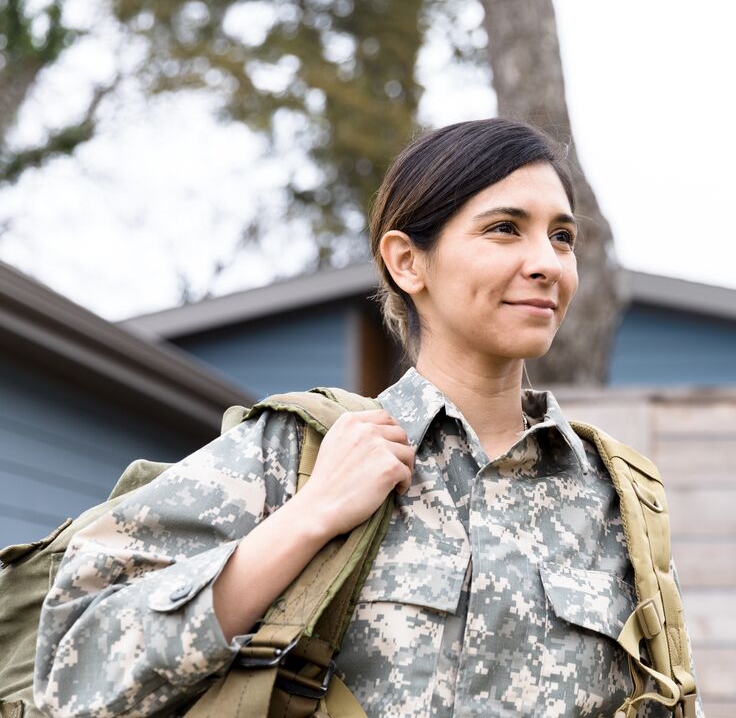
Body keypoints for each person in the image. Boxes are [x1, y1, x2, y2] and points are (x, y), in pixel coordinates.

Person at [34, 118, 702, 717]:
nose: (545, 264)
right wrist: (308, 517)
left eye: (562, 238)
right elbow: (74, 678)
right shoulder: (294, 452)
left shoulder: (617, 496)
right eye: (505, 229)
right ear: (408, 261)